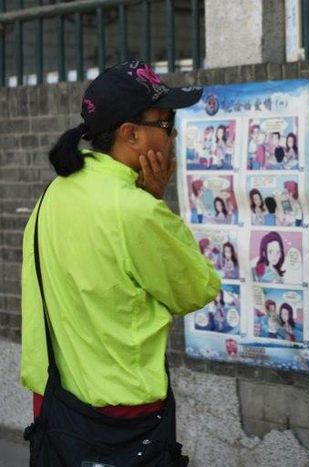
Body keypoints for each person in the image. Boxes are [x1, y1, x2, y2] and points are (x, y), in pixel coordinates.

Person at [21, 60, 219, 456]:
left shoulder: (52, 196)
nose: (173, 136)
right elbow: (197, 289)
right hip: (120, 415)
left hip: (56, 406)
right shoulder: (136, 211)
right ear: (131, 134)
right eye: (166, 124)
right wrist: (155, 201)